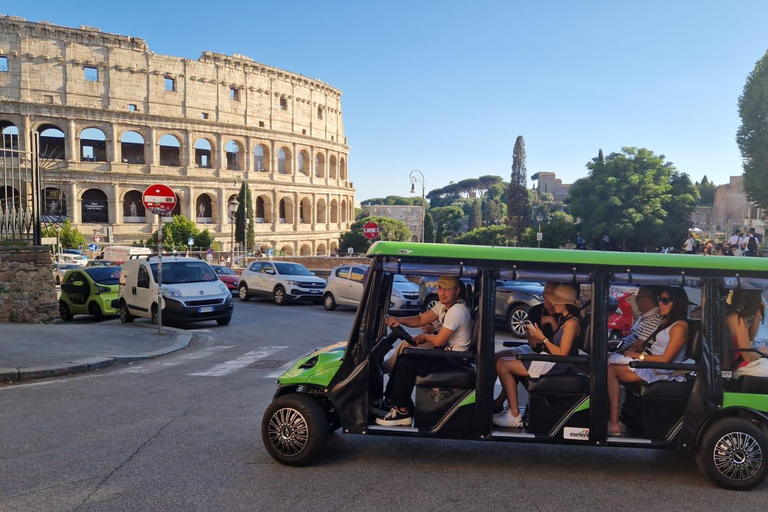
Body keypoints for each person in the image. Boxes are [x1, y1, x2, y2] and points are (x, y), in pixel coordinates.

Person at [375, 276, 472, 426]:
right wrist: (399, 320)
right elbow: (421, 320)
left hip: (455, 360)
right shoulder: (444, 306)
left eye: (447, 289)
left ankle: (401, 411)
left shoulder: (457, 311)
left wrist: (424, 337)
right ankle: (392, 401)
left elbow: (438, 340)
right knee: (404, 356)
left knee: (407, 363)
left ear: (457, 291)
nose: (442, 293)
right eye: (440, 288)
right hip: (447, 354)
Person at [493, 284, 582, 428]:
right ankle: (507, 408)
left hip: (557, 364)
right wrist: (552, 323)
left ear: (566, 303)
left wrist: (542, 338)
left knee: (504, 366)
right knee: (501, 361)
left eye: (556, 301)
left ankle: (514, 416)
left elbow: (562, 353)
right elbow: (558, 339)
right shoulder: (564, 319)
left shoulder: (572, 323)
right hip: (552, 359)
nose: (552, 303)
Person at [606, 287, 690, 436]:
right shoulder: (667, 322)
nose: (661, 304)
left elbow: (666, 359)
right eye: (660, 300)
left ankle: (613, 422)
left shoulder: (680, 327)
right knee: (605, 362)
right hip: (650, 362)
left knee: (611, 370)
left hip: (659, 369)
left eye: (665, 301)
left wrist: (639, 357)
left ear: (677, 303)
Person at [492, 282, 559, 413]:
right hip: (536, 349)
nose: (548, 301)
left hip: (549, 355)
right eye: (545, 296)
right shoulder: (536, 311)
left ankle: (512, 411)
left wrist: (543, 335)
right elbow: (533, 343)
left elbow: (558, 349)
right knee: (497, 357)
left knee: (505, 364)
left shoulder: (562, 314)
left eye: (552, 297)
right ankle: (492, 400)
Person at [727, 289, 767, 377]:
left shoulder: (734, 315)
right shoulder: (738, 318)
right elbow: (748, 356)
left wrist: (757, 315)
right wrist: (762, 351)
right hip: (741, 366)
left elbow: (750, 338)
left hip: (741, 363)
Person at [616, 286, 663, 352]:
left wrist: (615, 353)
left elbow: (638, 346)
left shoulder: (654, 319)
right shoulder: (645, 315)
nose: (635, 301)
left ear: (648, 300)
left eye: (638, 298)